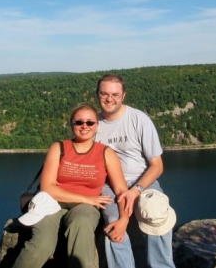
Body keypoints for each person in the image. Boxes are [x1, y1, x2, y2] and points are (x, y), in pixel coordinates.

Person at [13, 103, 129, 268]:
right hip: (52, 204)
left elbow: (121, 190)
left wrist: (124, 219)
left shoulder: (106, 153)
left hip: (85, 208)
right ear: (71, 124)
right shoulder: (59, 148)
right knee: (41, 245)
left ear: (97, 126)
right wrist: (86, 198)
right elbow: (48, 187)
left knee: (82, 230)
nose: (84, 126)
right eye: (79, 122)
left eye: (90, 122)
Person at [94, 74, 176, 268]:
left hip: (141, 179)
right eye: (104, 94)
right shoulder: (93, 124)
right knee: (115, 223)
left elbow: (157, 165)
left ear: (123, 96)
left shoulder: (138, 119)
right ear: (97, 95)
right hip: (110, 184)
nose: (109, 99)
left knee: (156, 211)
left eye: (115, 94)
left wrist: (135, 190)